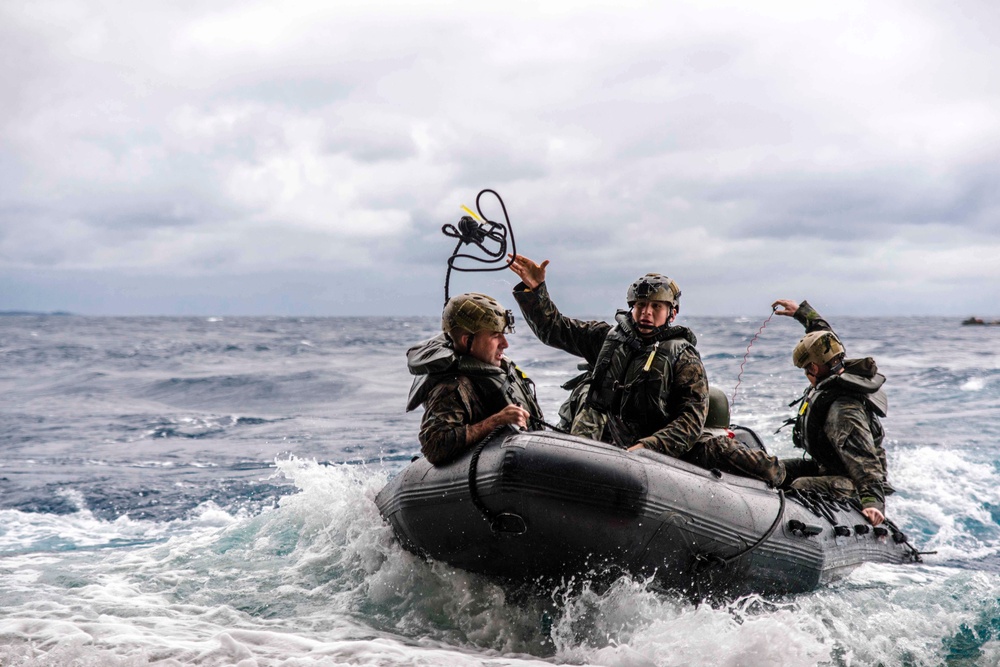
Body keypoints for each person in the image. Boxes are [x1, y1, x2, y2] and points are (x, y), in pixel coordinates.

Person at [508, 254, 708, 457]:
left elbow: (691, 421)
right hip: (598, 443)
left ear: (672, 313)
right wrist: (536, 290)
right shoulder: (607, 338)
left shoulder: (684, 358)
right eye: (640, 305)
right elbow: (555, 329)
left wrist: (646, 448)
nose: (646, 312)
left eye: (656, 306)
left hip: (646, 449)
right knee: (588, 392)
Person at [772, 299, 893, 526]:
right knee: (772, 469)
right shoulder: (832, 361)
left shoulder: (843, 410)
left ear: (815, 368)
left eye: (806, 369)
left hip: (854, 482)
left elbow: (865, 460)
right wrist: (803, 313)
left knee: (800, 486)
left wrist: (872, 503)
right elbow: (824, 338)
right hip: (829, 468)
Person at [406, 292, 544, 465]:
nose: (505, 344)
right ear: (466, 341)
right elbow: (435, 446)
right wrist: (496, 421)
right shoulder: (452, 386)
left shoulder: (496, 369)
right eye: (495, 336)